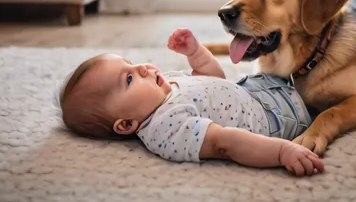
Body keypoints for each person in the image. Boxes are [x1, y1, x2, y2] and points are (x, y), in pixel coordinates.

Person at [56, 28, 323, 176]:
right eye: (128, 79)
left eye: (130, 63)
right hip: (276, 116)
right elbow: (224, 142)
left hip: (253, 88)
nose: (142, 68)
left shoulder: (164, 86)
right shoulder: (165, 128)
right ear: (126, 124)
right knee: (322, 93)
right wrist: (281, 152)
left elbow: (214, 78)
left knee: (302, 47)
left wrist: (195, 53)